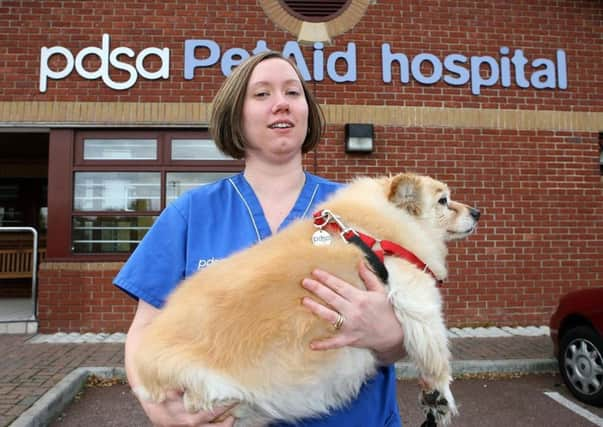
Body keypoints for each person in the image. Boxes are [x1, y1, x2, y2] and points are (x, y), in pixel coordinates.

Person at [114, 50, 406, 427]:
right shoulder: (191, 215)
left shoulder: (364, 211)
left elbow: (411, 324)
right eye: (262, 94)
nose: (281, 104)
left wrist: (392, 338)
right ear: (236, 115)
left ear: (307, 112)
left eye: (293, 93)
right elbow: (146, 330)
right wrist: (157, 408)